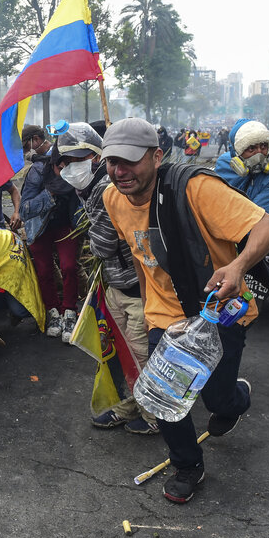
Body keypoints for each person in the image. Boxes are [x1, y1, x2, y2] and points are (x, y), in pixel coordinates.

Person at [101, 117, 269, 503]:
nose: (120, 171)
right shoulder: (112, 197)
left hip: (218, 310)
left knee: (216, 399)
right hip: (165, 316)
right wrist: (148, 301)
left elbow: (268, 226)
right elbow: (140, 254)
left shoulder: (195, 188)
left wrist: (237, 266)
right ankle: (187, 465)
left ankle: (236, 399)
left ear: (157, 156)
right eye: (112, 161)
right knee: (166, 398)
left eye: (130, 161)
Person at [52, 124, 160, 435]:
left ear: (97, 157)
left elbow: (104, 244)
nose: (70, 169)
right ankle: (133, 401)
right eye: (65, 163)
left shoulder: (108, 190)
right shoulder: (88, 188)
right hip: (114, 284)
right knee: (122, 350)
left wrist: (92, 243)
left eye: (77, 160)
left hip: (136, 287)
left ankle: (153, 415)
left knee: (140, 352)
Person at [19, 123, 89, 341]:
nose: (65, 166)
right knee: (44, 271)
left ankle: (70, 312)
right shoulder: (37, 171)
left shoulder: (76, 168)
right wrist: (49, 194)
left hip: (66, 225)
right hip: (40, 227)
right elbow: (24, 209)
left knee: (69, 266)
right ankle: (53, 312)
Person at [214, 120, 269, 251]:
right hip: (225, 246)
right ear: (236, 151)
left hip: (259, 250)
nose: (259, 154)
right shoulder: (225, 164)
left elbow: (253, 225)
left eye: (263, 147)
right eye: (251, 148)